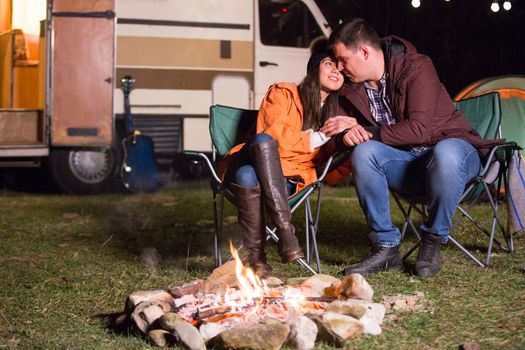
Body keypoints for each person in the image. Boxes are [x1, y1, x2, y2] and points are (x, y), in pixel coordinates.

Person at [325, 19, 503, 277]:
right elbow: (337, 135)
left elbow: (419, 129)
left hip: (456, 155)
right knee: (364, 152)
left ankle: (431, 242)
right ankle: (386, 247)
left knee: (447, 152)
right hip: (409, 165)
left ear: (364, 52)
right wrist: (346, 136)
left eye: (342, 59)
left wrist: (367, 132)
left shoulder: (415, 66)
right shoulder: (350, 88)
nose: (339, 68)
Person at [219, 39, 353, 278]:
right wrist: (316, 138)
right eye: (329, 63)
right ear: (314, 67)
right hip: (249, 159)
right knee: (261, 143)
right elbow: (272, 137)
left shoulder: (336, 114)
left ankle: (257, 260)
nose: (336, 71)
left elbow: (325, 164)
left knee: (247, 176)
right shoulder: (282, 93)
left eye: (341, 71)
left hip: (285, 179)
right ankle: (286, 233)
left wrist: (349, 132)